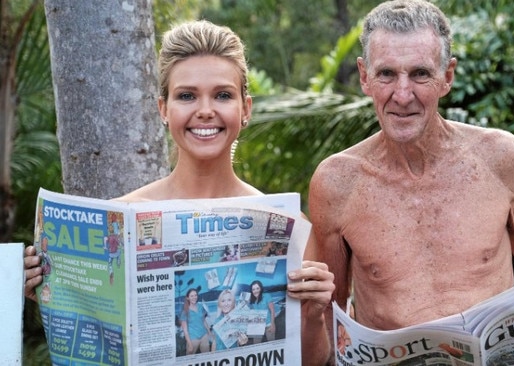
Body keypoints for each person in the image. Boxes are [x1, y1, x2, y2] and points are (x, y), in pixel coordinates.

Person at [307, 0, 514, 363]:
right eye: (386, 74)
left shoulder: (500, 157)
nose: (402, 95)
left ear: (447, 76)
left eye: (419, 74)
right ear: (364, 76)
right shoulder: (337, 182)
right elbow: (328, 314)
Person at [23, 20, 334, 365]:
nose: (204, 110)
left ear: (245, 109)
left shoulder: (289, 227)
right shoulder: (117, 221)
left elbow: (314, 361)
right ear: (163, 109)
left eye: (222, 95)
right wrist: (47, 289)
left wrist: (313, 314)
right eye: (186, 96)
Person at [180, 288, 211, 354]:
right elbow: (185, 330)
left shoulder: (200, 307)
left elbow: (203, 320)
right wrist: (189, 344)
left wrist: (209, 332)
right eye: (192, 296)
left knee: (206, 357)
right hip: (193, 338)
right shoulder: (185, 311)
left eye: (195, 295)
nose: (194, 297)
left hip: (204, 336)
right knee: (189, 360)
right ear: (188, 298)